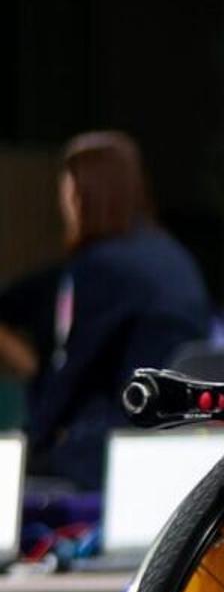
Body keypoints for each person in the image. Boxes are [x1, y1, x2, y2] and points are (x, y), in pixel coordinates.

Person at [0, 133, 211, 494]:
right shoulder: (173, 254)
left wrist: (29, 442)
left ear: (82, 195)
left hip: (111, 452)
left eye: (66, 193)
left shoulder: (98, 266)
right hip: (175, 445)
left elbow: (70, 369)